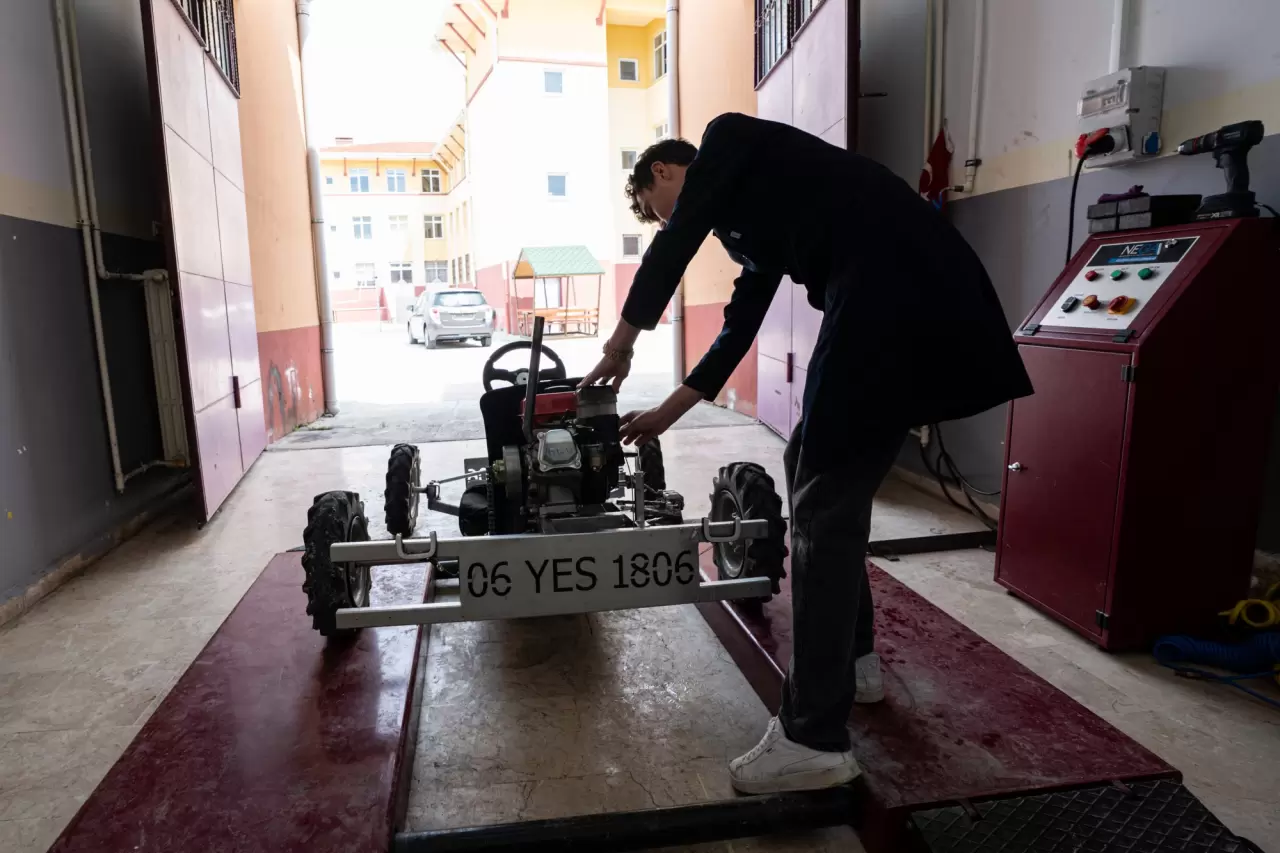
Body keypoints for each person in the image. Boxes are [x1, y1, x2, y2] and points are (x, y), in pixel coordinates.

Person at [578, 112, 1033, 795]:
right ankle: (855, 660)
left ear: (667, 171)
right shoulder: (755, 219)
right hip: (908, 288)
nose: (657, 219)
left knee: (820, 491)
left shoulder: (727, 139)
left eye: (650, 204)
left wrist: (621, 341)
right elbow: (736, 330)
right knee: (822, 479)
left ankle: (813, 736)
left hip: (890, 287)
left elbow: (675, 240)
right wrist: (664, 415)